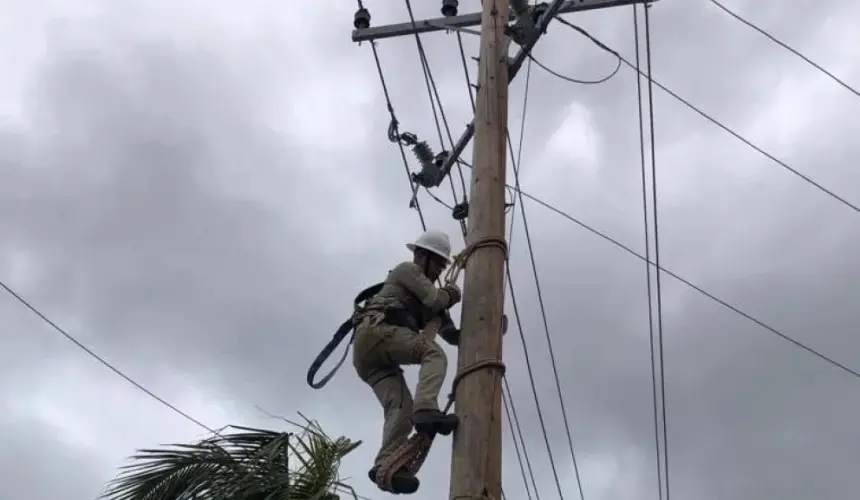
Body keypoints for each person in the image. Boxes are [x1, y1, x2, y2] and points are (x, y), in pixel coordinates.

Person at [352, 229, 463, 494]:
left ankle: (386, 467)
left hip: (371, 358)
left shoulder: (426, 299)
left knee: (400, 407)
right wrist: (452, 293)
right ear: (420, 255)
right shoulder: (406, 271)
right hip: (378, 332)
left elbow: (451, 334)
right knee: (433, 355)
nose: (438, 270)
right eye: (436, 262)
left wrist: (489, 329)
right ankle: (426, 409)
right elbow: (436, 298)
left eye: (442, 265)